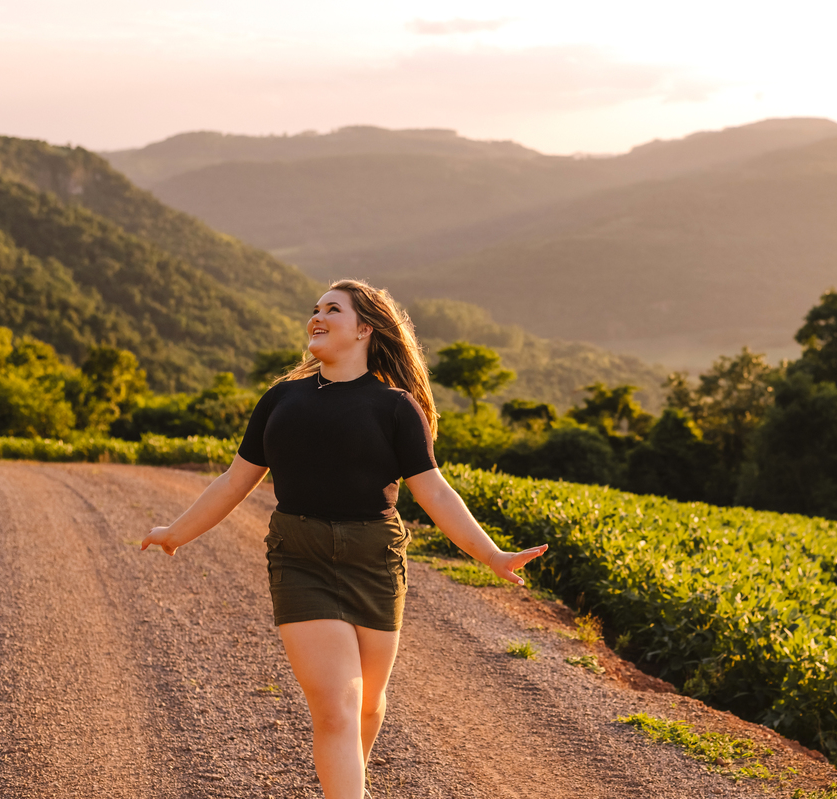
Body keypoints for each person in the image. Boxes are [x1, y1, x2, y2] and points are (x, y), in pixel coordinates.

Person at [140, 279, 547, 799]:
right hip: (300, 559)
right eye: (314, 309)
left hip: (374, 560)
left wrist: (490, 554)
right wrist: (177, 532)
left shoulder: (396, 407)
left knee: (368, 704)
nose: (317, 316)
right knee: (336, 708)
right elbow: (234, 480)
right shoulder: (281, 399)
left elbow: (435, 493)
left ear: (364, 329)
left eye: (332, 309)